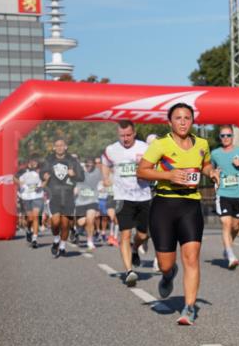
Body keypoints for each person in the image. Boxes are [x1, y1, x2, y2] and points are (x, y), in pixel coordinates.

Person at [137, 104, 216, 325]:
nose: (183, 122)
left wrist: (212, 172)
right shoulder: (161, 145)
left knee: (191, 258)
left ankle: (189, 307)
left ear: (192, 121)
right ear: (169, 122)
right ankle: (168, 274)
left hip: (190, 205)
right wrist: (169, 175)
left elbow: (206, 165)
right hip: (164, 206)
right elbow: (141, 171)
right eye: (178, 118)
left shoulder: (202, 144)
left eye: (187, 118)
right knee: (165, 263)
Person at [102, 120, 153, 287]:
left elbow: (153, 166)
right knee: (124, 234)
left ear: (134, 133)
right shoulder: (111, 149)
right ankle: (129, 271)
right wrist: (105, 177)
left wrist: (147, 174)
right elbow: (105, 162)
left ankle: (134, 249)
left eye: (128, 135)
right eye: (122, 135)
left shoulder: (144, 148)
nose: (125, 139)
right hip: (122, 197)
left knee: (142, 235)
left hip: (143, 196)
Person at [210, 126, 239, 269]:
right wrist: (214, 174)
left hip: (238, 195)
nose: (225, 138)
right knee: (226, 223)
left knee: (236, 226)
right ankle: (230, 255)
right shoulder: (215, 153)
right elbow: (210, 170)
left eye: (228, 135)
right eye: (223, 136)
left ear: (232, 137)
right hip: (223, 193)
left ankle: (228, 246)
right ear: (220, 137)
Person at [40, 139, 84, 258]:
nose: (59, 147)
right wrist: (43, 175)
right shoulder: (49, 160)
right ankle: (56, 240)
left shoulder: (72, 160)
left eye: (62, 145)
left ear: (66, 147)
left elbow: (82, 176)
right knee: (55, 221)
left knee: (65, 224)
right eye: (57, 146)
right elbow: (42, 173)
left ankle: (63, 246)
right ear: (54, 148)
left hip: (68, 195)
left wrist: (74, 174)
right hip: (54, 195)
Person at [74, 158, 102, 250]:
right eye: (87, 165)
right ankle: (78, 229)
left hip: (92, 201)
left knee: (90, 220)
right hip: (80, 202)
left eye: (91, 165)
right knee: (82, 222)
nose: (89, 166)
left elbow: (102, 182)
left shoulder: (97, 174)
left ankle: (90, 241)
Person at [17, 159, 44, 248]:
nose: (33, 164)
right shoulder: (22, 172)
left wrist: (42, 185)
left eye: (35, 162)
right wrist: (19, 183)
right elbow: (14, 179)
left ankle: (34, 239)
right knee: (30, 219)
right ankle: (28, 229)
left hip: (37, 196)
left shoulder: (41, 172)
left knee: (35, 217)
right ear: (28, 164)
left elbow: (45, 181)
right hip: (26, 197)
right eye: (31, 162)